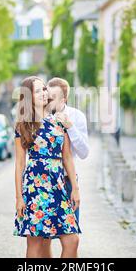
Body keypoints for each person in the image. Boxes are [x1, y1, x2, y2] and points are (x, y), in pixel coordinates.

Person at [13, 76, 81, 258]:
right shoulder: (23, 125)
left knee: (72, 240)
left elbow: (67, 158)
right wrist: (19, 198)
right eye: (37, 91)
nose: (43, 93)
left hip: (58, 186)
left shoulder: (59, 121)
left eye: (44, 89)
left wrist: (75, 188)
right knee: (35, 242)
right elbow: (19, 164)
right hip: (34, 188)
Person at [40, 77, 89, 258]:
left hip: (67, 182)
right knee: (44, 238)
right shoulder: (39, 117)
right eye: (47, 95)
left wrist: (70, 127)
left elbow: (84, 153)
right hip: (45, 183)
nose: (48, 100)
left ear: (64, 99)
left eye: (53, 97)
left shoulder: (76, 117)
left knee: (71, 238)